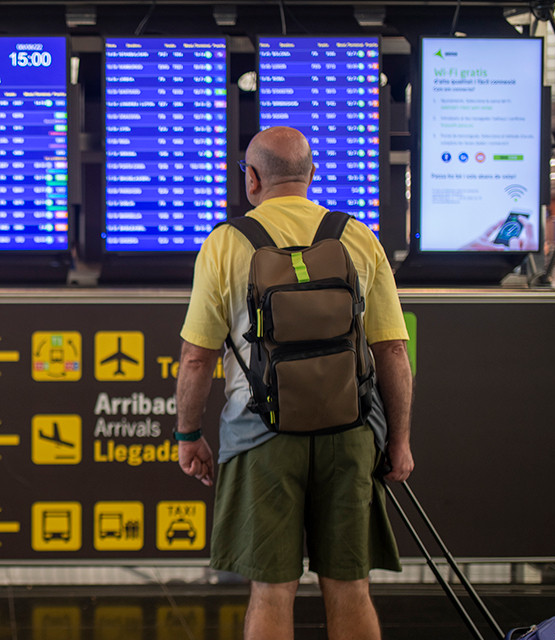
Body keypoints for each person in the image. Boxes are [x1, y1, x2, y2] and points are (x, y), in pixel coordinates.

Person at [175, 126, 415, 640]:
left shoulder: (225, 244)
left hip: (261, 438)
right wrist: (398, 440)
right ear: (312, 175)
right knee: (351, 587)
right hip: (349, 435)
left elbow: (197, 358)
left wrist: (187, 435)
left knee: (271, 589)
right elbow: (392, 349)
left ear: (253, 178)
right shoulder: (357, 236)